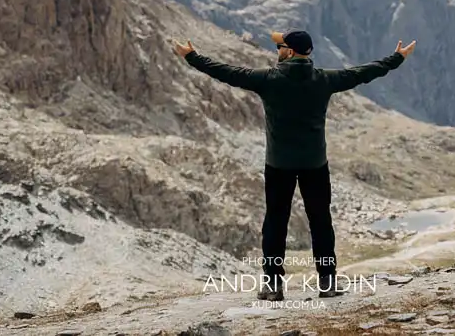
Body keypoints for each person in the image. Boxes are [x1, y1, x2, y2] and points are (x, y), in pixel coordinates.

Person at [174, 28, 416, 301]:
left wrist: (191, 56)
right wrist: (397, 58)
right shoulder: (325, 79)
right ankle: (327, 283)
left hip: (278, 166)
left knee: (275, 223)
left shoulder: (267, 79)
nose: (277, 51)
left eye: (280, 47)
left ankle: (273, 286)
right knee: (321, 222)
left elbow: (227, 72)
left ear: (289, 52)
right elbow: (363, 72)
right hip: (315, 165)